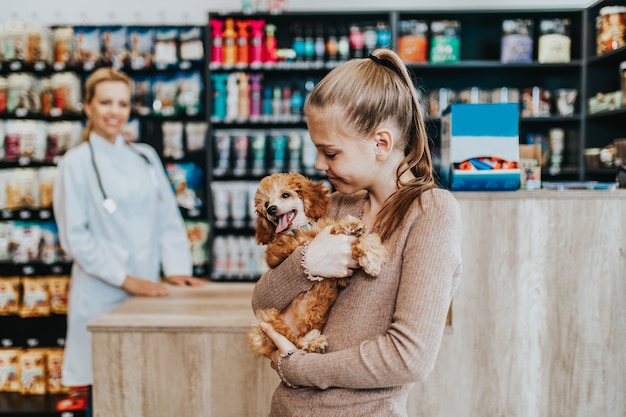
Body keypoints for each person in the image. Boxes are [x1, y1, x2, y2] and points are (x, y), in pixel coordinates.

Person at [251, 48, 463, 417]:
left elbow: (408, 356)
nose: (319, 164)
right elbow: (262, 302)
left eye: (330, 153)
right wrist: (307, 263)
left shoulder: (431, 213)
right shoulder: (335, 206)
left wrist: (298, 368)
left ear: (381, 143)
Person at [53, 67, 204, 414]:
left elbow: (168, 218)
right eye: (105, 102)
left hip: (148, 289)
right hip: (102, 292)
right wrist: (126, 280)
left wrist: (177, 269)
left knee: (142, 384)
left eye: (122, 104)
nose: (114, 111)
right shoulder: (74, 164)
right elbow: (74, 237)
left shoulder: (145, 157)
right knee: (105, 388)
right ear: (88, 105)